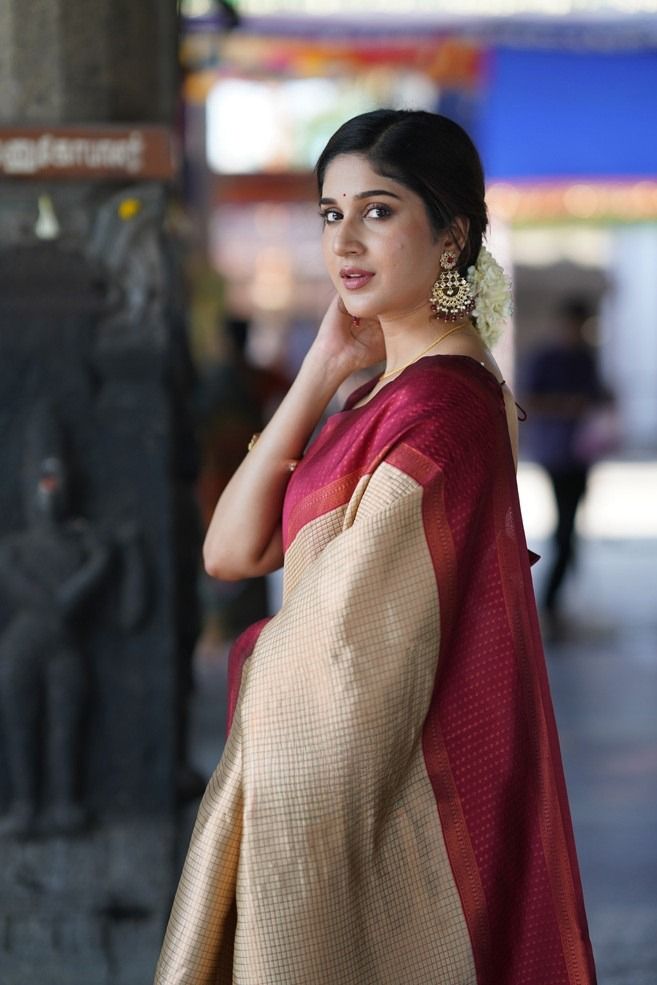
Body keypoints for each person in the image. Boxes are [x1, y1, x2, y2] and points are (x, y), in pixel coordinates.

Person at [154, 110, 596, 985]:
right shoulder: (379, 393)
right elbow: (232, 553)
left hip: (382, 797)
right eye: (329, 213)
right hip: (343, 778)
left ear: (450, 236)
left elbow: (339, 654)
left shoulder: (445, 410)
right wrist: (321, 370)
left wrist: (267, 663)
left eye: (379, 211)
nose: (344, 240)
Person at [522, 299, 615, 627]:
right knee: (564, 528)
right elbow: (528, 400)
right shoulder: (546, 358)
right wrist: (567, 405)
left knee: (571, 525)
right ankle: (550, 601)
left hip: (580, 452)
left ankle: (558, 597)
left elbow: (598, 395)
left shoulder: (585, 358)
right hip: (555, 452)